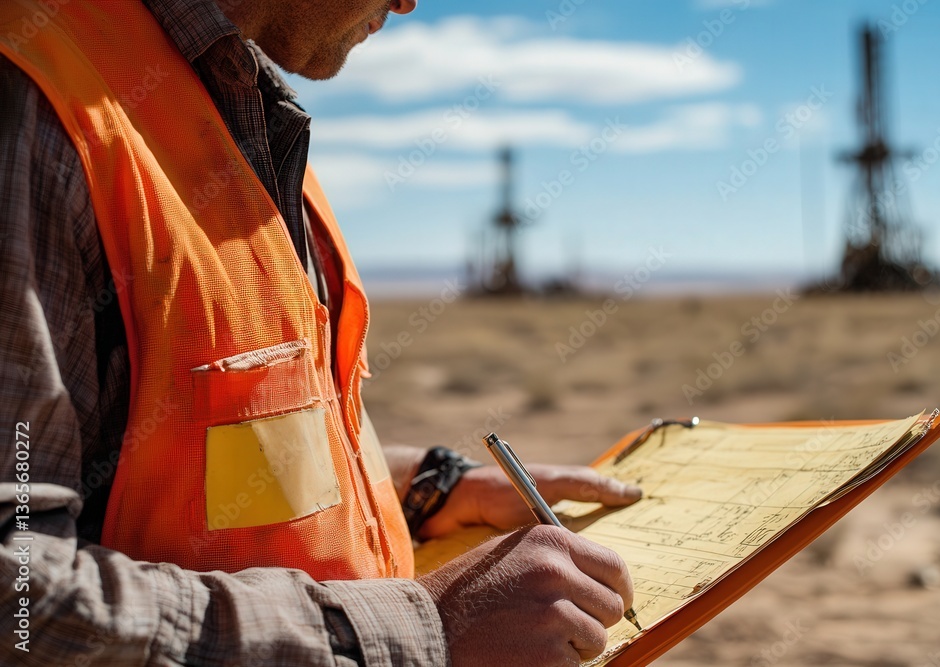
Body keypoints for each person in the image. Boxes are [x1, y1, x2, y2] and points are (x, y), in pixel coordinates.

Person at [0, 0, 641, 665]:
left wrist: (429, 487)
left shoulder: (242, 115)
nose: (408, 3)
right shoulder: (37, 98)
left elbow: (222, 446)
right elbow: (16, 599)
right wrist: (428, 630)